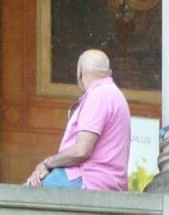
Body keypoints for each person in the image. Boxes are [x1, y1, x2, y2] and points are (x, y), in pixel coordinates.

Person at [25, 49, 131, 190]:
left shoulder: (98, 95)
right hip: (109, 183)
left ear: (80, 72)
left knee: (20, 197)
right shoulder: (115, 95)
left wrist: (47, 164)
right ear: (108, 72)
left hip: (87, 180)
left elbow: (81, 151)